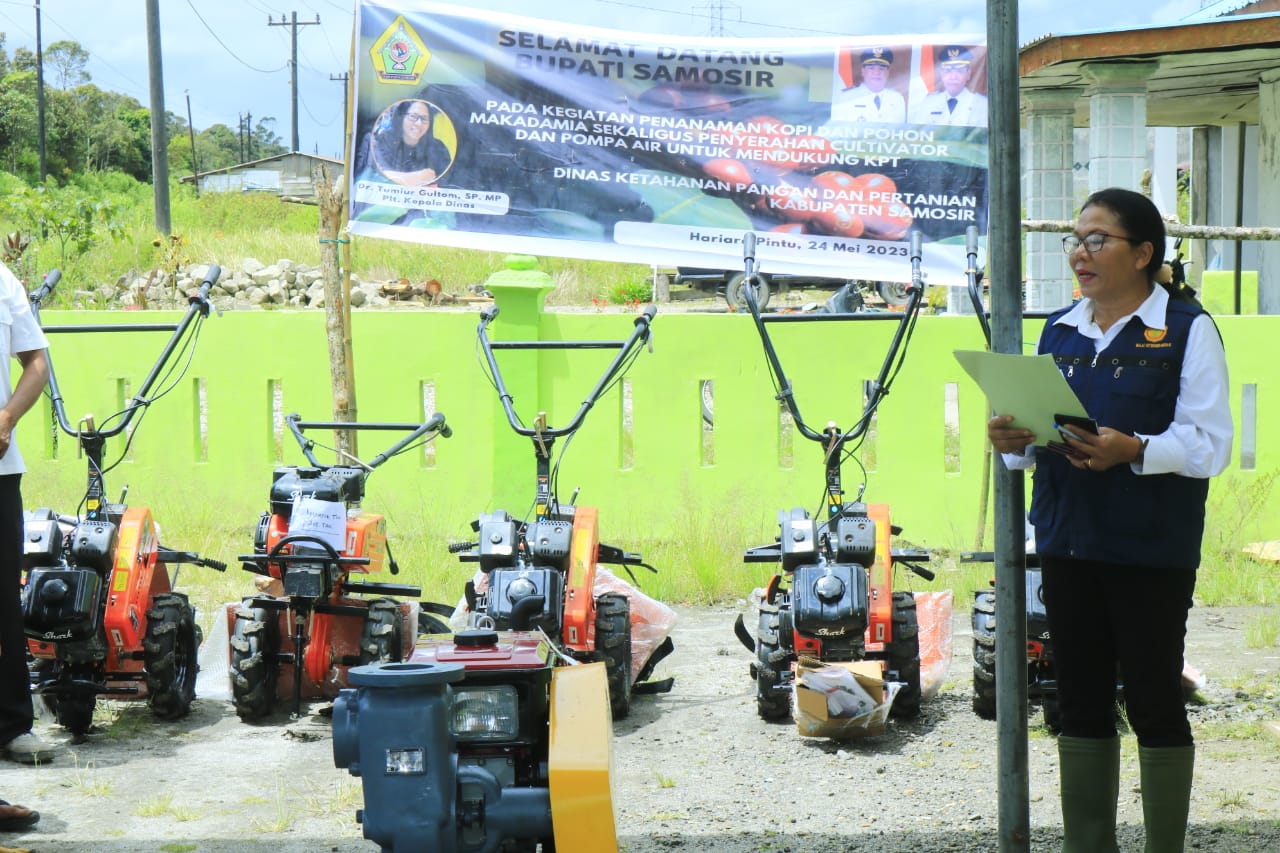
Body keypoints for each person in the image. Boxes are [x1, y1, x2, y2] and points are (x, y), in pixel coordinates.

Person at [987, 187, 1232, 852]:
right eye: (1075, 238)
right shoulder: (1061, 329)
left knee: (1153, 699)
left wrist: (1137, 450)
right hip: (1069, 542)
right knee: (1079, 700)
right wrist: (1015, 445)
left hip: (1151, 550)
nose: (1080, 252)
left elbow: (1211, 443)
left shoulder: (1186, 328)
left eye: (1098, 239)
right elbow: (1040, 441)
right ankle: (1087, 843)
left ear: (1143, 252)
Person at [0, 264, 54, 765]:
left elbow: (36, 362)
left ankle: (13, 725)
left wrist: (7, 417)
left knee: (3, 599)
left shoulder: (2, 279)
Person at [355, 99, 453, 187]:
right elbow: (376, 177)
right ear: (401, 118)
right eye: (413, 117)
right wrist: (420, 176)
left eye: (424, 119)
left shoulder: (438, 148)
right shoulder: (383, 141)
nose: (419, 123)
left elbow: (445, 182)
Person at [910, 45, 988, 128]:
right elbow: (918, 132)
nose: (953, 77)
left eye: (959, 70)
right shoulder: (929, 102)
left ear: (968, 73)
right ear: (941, 73)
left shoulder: (981, 104)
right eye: (948, 70)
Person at [830, 46, 906, 124]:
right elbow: (837, 130)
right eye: (871, 68)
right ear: (863, 71)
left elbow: (899, 131)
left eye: (882, 68)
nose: (876, 72)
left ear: (887, 72)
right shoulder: (846, 97)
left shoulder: (897, 99)